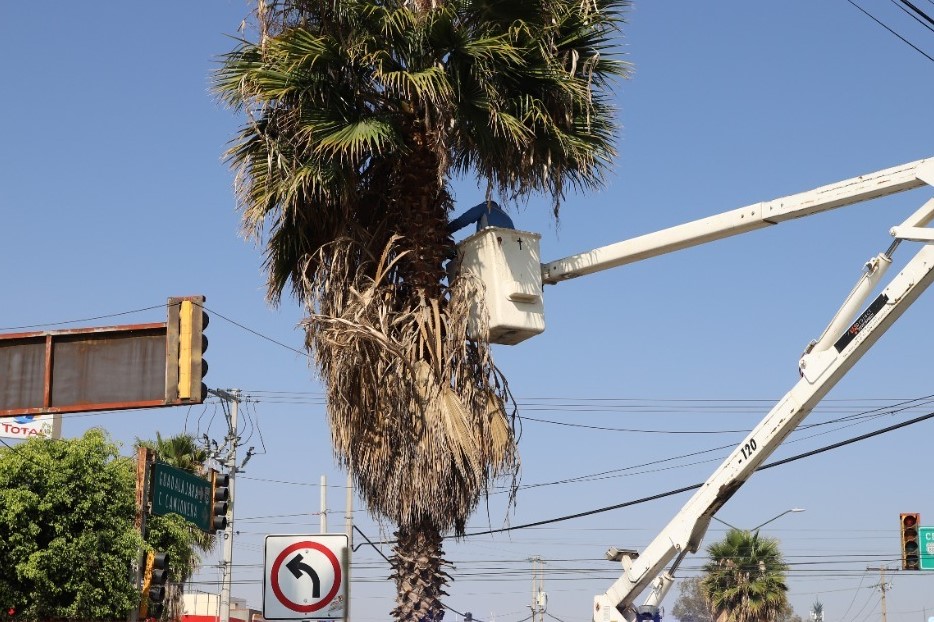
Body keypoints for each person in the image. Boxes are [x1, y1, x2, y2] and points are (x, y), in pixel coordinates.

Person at [447, 200, 515, 234]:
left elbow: (464, 219)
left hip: (490, 241)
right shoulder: (507, 216)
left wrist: (447, 230)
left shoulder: (484, 207)